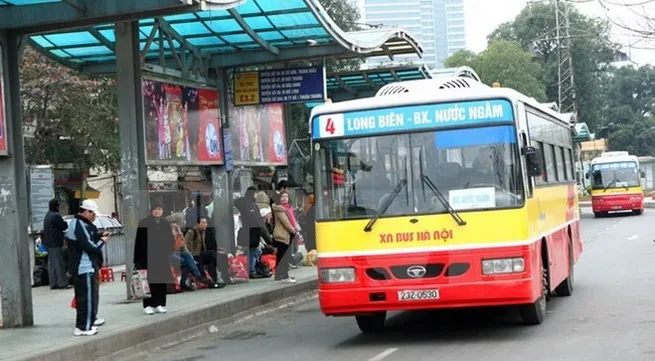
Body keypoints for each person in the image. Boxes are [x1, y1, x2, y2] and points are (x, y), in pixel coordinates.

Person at [65, 200, 110, 336]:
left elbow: (87, 239)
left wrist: (98, 236)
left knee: (83, 298)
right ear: (86, 212)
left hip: (82, 266)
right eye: (93, 213)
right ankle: (85, 327)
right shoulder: (80, 224)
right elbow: (90, 246)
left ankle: (84, 325)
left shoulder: (80, 224)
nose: (94, 216)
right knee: (87, 298)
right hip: (84, 266)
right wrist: (102, 241)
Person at [134, 202, 176, 315]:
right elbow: (139, 242)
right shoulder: (144, 222)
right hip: (147, 257)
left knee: (161, 281)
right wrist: (138, 259)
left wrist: (170, 250)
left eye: (159, 209)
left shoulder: (165, 223)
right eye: (155, 209)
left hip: (161, 257)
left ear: (162, 211)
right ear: (151, 210)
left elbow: (170, 238)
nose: (157, 211)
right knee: (149, 282)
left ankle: (160, 304)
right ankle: (147, 305)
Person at [234, 186, 274, 278]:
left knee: (254, 251)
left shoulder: (243, 202)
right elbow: (259, 223)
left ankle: (251, 269)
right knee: (253, 251)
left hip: (245, 231)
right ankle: (251, 270)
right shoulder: (251, 205)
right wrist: (269, 240)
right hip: (253, 232)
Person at [184, 217, 225, 288]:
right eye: (202, 222)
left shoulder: (204, 232)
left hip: (201, 254)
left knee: (212, 260)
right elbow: (186, 246)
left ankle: (213, 282)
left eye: (206, 223)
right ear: (197, 224)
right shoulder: (191, 232)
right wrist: (190, 257)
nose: (205, 224)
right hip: (193, 255)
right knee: (212, 253)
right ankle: (218, 270)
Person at [271, 191, 299, 284]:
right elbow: (286, 222)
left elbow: (293, 220)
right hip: (283, 235)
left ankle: (279, 275)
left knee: (281, 256)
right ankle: (285, 276)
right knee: (284, 257)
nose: (284, 198)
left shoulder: (288, 208)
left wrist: (296, 229)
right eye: (282, 196)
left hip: (287, 234)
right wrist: (293, 231)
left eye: (286, 196)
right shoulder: (279, 208)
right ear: (279, 198)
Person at [43, 198, 70, 289]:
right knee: (59, 264)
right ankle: (62, 283)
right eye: (58, 205)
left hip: (49, 244)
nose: (59, 207)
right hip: (56, 243)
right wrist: (65, 222)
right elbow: (63, 226)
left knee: (52, 265)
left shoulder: (47, 215)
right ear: (56, 206)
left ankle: (53, 283)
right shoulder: (55, 216)